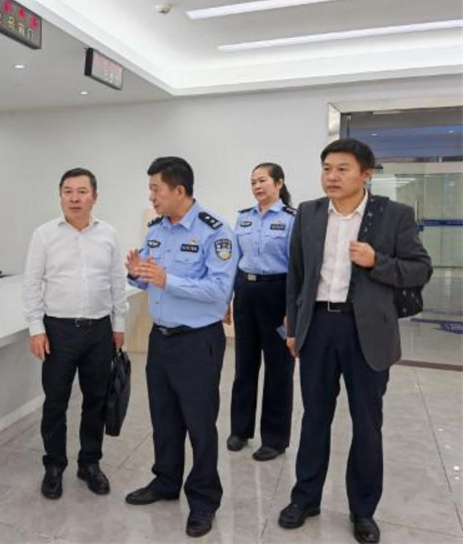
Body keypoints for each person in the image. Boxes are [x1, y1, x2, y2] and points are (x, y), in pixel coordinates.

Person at [278, 139, 432, 544]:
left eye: (342, 169)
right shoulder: (309, 213)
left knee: (367, 423)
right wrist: (293, 329)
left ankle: (363, 510)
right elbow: (296, 276)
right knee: (314, 418)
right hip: (317, 328)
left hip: (367, 332)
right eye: (327, 168)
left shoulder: (393, 215)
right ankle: (305, 498)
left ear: (365, 175)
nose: (332, 176)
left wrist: (376, 261)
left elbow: (420, 269)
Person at [124, 156, 238, 538]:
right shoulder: (157, 229)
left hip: (197, 342)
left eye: (156, 189)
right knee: (164, 418)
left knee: (199, 424)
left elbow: (219, 291)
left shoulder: (214, 232)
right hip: (161, 339)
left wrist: (166, 279)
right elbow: (150, 278)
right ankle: (165, 481)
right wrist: (137, 274)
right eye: (150, 190)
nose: (151, 197)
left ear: (179, 190)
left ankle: (204, 500)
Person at [21, 167, 127, 501]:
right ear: (60, 196)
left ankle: (90, 463)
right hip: (58, 331)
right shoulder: (44, 235)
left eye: (82, 191)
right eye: (68, 191)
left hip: (99, 331)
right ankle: (54, 466)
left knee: (95, 401)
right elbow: (31, 284)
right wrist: (36, 329)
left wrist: (119, 325)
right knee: (55, 402)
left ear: (94, 197)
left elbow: (117, 281)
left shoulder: (108, 234)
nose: (74, 198)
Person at [226, 163, 296, 461]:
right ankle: (240, 430)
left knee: (279, 369)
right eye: (253, 181)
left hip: (277, 294)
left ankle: (275, 439)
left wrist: (293, 309)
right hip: (246, 292)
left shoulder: (292, 219)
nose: (257, 186)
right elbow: (233, 261)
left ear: (278, 183)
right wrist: (226, 300)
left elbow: (297, 269)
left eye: (263, 180)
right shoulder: (244, 218)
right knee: (244, 364)